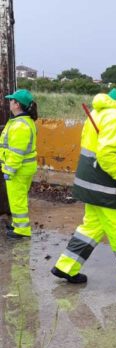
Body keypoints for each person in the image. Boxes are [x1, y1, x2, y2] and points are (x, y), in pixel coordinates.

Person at [51, 79, 116, 290]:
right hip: (108, 186)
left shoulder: (100, 112)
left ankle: (66, 266)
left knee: (91, 227)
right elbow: (106, 156)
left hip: (90, 183)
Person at [0, 89, 38, 239]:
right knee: (18, 199)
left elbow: (17, 153)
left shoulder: (20, 125)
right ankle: (17, 225)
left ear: (17, 104)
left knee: (18, 201)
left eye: (11, 100)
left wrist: (9, 171)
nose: (9, 103)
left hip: (18, 170)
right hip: (23, 169)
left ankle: (21, 230)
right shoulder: (22, 121)